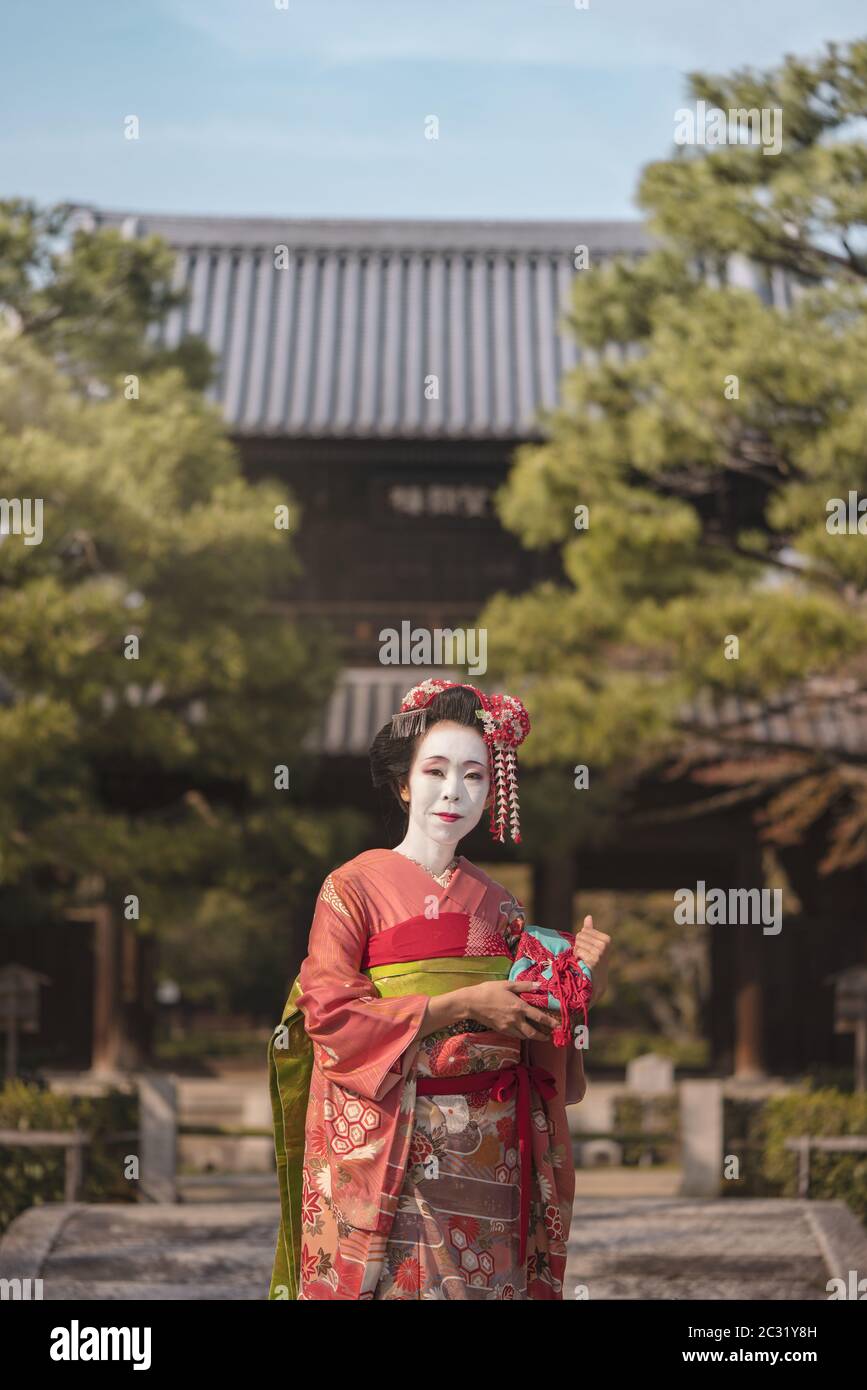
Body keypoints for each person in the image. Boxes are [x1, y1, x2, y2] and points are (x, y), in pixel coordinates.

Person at [268, 678, 610, 1300]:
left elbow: (545, 1046)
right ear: (404, 784)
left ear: (493, 790)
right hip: (392, 1141)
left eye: (475, 776)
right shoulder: (349, 889)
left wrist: (578, 986)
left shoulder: (502, 908)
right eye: (436, 770)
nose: (454, 791)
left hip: (491, 1150)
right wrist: (461, 1004)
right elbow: (330, 1018)